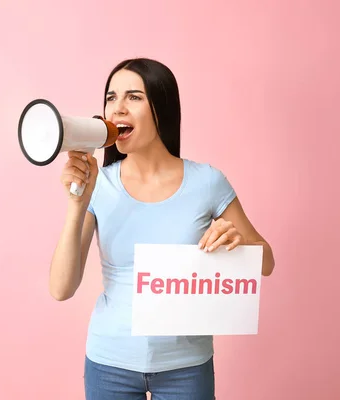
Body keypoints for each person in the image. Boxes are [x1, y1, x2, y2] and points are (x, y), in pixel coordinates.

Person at [49, 58, 275, 400]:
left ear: (161, 108)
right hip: (109, 363)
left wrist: (239, 241)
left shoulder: (207, 182)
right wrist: (77, 203)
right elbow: (60, 288)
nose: (118, 107)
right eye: (111, 97)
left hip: (186, 366)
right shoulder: (101, 185)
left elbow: (267, 263)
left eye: (134, 97)